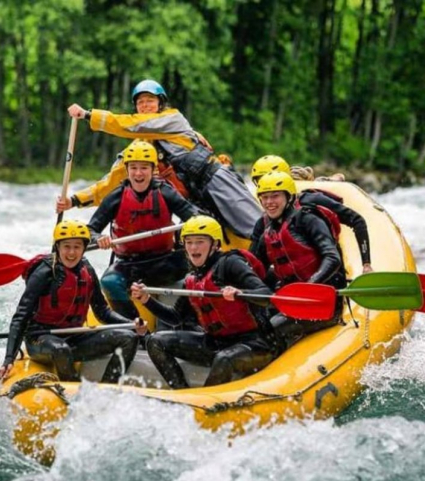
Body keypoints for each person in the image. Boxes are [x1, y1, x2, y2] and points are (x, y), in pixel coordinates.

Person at [60, 79, 262, 238]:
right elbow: (112, 181)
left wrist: (88, 115)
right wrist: (75, 200)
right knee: (207, 238)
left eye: (150, 101)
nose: (145, 105)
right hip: (192, 199)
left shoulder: (173, 118)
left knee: (254, 226)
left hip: (214, 180)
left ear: (161, 103)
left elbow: (129, 124)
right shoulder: (140, 148)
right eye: (140, 102)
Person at [130, 216, 279, 389]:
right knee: (155, 341)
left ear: (215, 244)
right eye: (189, 242)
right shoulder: (192, 278)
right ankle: (182, 393)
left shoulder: (231, 263)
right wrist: (146, 300)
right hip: (215, 342)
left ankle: (205, 406)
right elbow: (176, 317)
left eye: (200, 242)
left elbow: (267, 296)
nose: (193, 247)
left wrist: (241, 293)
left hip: (255, 343)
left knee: (224, 358)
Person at [0, 220, 146, 384]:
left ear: (84, 248)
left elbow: (102, 311)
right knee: (61, 349)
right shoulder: (45, 272)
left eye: (77, 246)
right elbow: (21, 316)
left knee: (129, 338)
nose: (71, 252)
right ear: (58, 247)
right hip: (41, 338)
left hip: (75, 336)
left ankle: (108, 389)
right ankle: (73, 393)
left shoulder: (87, 270)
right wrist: (9, 358)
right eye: (66, 246)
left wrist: (131, 324)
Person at [82, 139, 200, 319]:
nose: (138, 173)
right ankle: (134, 327)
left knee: (195, 274)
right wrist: (99, 237)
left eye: (144, 167)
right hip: (130, 264)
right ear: (127, 169)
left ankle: (182, 321)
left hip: (166, 262)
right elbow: (89, 231)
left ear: (153, 169)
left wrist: (190, 231)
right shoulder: (116, 196)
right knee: (110, 281)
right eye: (134, 167)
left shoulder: (166, 192)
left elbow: (195, 218)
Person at [250, 171, 345, 350]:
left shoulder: (308, 220)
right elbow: (254, 272)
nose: (269, 202)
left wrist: (310, 286)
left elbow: (332, 258)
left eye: (275, 196)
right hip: (292, 301)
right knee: (254, 323)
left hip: (322, 303)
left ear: (289, 197)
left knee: (268, 329)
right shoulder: (267, 233)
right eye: (264, 197)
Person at [251, 154, 373, 273]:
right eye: (261, 182)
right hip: (291, 279)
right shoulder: (264, 221)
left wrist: (366, 265)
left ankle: (330, 179)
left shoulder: (311, 200)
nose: (267, 184)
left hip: (327, 274)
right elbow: (253, 261)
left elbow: (357, 220)